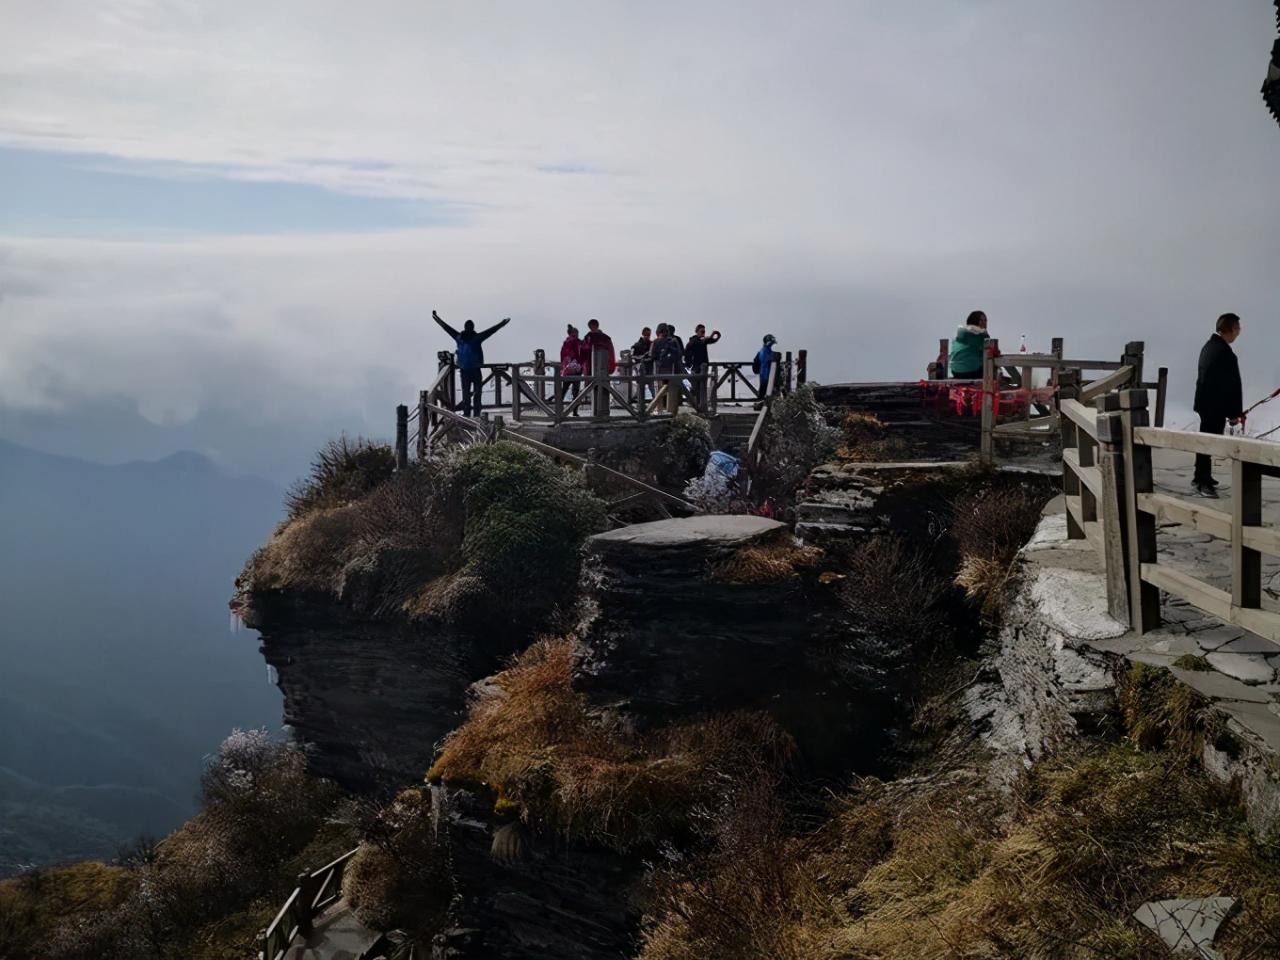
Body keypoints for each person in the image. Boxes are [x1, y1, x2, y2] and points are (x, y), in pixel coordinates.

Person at [1191, 313, 1244, 498]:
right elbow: (1229, 386)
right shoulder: (1222, 352)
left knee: (1206, 440)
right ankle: (1203, 482)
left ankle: (1200, 476)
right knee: (1209, 443)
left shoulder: (1211, 347)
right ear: (1228, 329)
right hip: (1214, 406)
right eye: (1237, 328)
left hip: (1208, 404)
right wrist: (1234, 413)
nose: (1239, 332)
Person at [432, 309, 510, 417]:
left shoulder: (459, 338)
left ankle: (467, 414)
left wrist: (437, 319)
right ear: (473, 328)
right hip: (475, 369)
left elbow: (446, 328)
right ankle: (476, 414)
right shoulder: (476, 338)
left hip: (464, 370)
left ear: (465, 328)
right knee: (477, 393)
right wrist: (502, 323)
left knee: (466, 394)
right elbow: (491, 331)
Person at [684, 324, 721, 408]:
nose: (703, 333)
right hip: (695, 366)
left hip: (703, 365)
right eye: (702, 331)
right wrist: (687, 363)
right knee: (695, 385)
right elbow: (700, 343)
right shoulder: (693, 340)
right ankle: (695, 402)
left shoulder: (703, 340)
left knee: (702, 385)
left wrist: (717, 336)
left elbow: (711, 340)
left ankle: (701, 404)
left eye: (704, 331)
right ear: (697, 332)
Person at [948, 310, 990, 379]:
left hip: (955, 371)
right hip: (972, 371)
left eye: (985, 320)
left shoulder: (959, 332)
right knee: (991, 367)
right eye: (981, 320)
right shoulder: (981, 334)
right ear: (974, 321)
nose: (984, 323)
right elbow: (988, 353)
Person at [651, 324, 685, 410]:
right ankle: (670, 409)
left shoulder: (655, 342)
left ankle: (659, 409)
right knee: (670, 389)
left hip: (659, 370)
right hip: (670, 369)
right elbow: (679, 354)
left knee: (659, 390)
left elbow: (652, 355)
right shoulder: (673, 341)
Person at [560, 323, 584, 415]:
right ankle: (572, 411)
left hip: (571, 370)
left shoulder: (568, 342)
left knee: (567, 391)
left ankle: (565, 410)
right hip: (573, 370)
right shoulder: (575, 342)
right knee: (572, 391)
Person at [752, 334, 778, 400]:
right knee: (764, 391)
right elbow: (767, 360)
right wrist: (775, 356)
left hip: (765, 374)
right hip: (765, 374)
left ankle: (762, 404)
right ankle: (762, 405)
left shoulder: (764, 350)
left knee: (764, 391)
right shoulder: (765, 351)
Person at [631, 326, 654, 402]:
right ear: (643, 334)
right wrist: (641, 357)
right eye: (646, 335)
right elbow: (632, 356)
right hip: (640, 368)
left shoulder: (651, 344)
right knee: (641, 387)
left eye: (649, 335)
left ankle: (655, 402)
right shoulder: (637, 345)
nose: (647, 336)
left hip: (650, 368)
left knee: (651, 387)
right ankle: (640, 403)